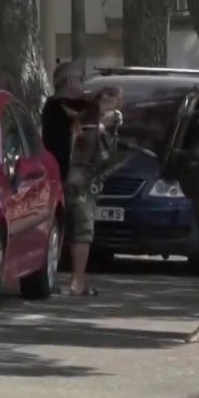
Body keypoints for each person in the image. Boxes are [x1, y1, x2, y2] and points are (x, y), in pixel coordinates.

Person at [61, 85, 122, 297]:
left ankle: (65, 279)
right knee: (82, 232)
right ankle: (77, 282)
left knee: (65, 228)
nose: (113, 107)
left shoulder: (79, 119)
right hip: (83, 178)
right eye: (111, 101)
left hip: (66, 176)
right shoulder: (102, 123)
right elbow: (107, 157)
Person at [41, 61, 84, 181]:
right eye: (80, 79)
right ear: (69, 81)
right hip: (62, 177)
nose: (83, 84)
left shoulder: (52, 106)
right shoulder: (58, 109)